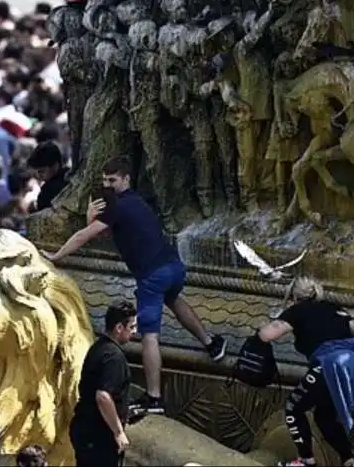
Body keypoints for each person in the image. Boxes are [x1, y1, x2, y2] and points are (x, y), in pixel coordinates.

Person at [42, 156, 227, 414]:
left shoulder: (116, 205)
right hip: (173, 266)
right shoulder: (134, 201)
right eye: (105, 180)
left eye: (113, 180)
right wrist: (92, 218)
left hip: (152, 275)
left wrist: (56, 256)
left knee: (149, 336)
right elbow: (107, 232)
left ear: (126, 179)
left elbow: (87, 236)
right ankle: (211, 343)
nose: (108, 185)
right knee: (174, 299)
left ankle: (154, 399)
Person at [257, 277, 354, 467]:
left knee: (293, 407)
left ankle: (307, 462)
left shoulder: (297, 311)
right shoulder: (333, 308)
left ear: (295, 297)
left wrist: (261, 331)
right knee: (324, 417)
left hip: (331, 364)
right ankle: (350, 462)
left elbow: (267, 335)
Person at [69, 299, 135, 467]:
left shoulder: (98, 348)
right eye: (132, 327)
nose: (135, 331)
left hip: (85, 430)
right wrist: (118, 432)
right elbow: (103, 396)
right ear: (119, 328)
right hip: (99, 436)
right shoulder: (114, 357)